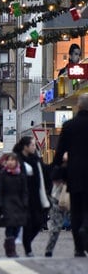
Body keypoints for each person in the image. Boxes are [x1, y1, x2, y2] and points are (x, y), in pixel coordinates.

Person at [52, 93, 88, 257]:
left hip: (75, 174)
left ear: (78, 106)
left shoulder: (69, 125)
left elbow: (59, 153)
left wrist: (57, 168)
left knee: (76, 210)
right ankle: (85, 228)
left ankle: (79, 248)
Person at [13, 136, 51, 257]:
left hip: (37, 196)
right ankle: (28, 248)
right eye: (33, 145)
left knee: (39, 222)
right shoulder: (17, 160)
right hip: (23, 197)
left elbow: (46, 171)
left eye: (35, 145)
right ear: (25, 146)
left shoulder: (36, 160)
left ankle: (27, 242)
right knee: (28, 223)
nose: (35, 147)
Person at [0, 152, 28, 257]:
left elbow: (25, 190)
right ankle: (11, 250)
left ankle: (9, 244)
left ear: (16, 162)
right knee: (10, 226)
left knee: (17, 227)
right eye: (8, 160)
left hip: (18, 204)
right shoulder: (3, 174)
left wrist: (25, 202)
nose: (10, 162)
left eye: (13, 160)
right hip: (6, 204)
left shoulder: (21, 174)